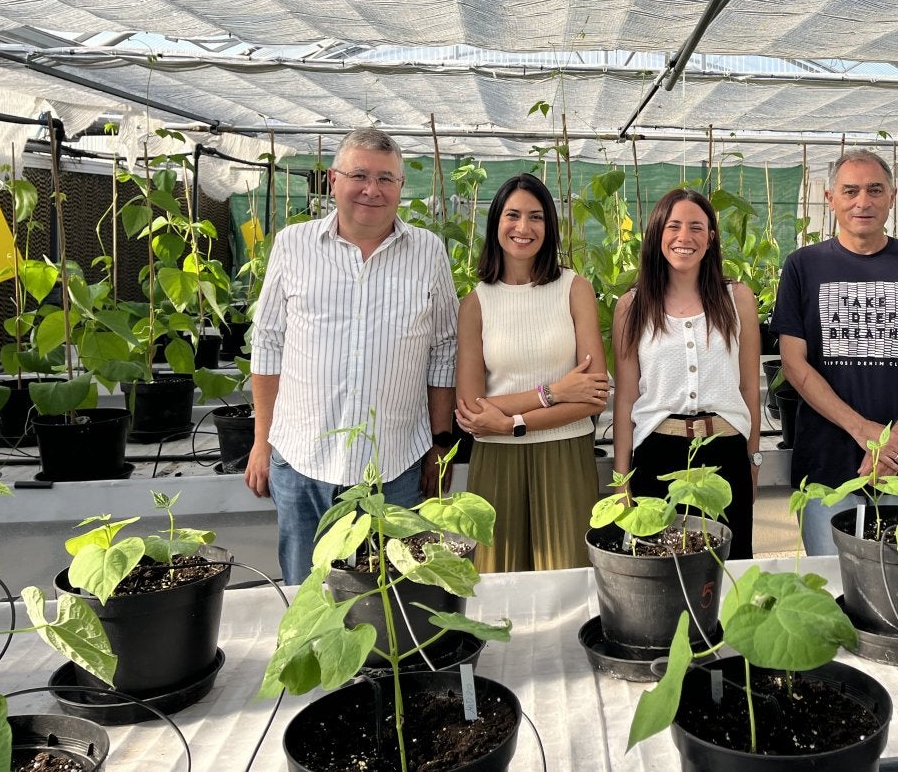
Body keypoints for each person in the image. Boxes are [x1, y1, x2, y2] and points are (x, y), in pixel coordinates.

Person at [246, 128, 459, 584]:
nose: (372, 189)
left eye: (386, 179)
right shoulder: (293, 245)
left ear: (402, 188)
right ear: (332, 179)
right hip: (302, 460)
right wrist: (261, 441)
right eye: (359, 174)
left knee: (389, 599)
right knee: (307, 594)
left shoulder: (429, 252)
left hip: (396, 464)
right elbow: (268, 344)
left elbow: (444, 349)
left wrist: (440, 448)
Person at [772, 149, 898, 555]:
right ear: (829, 197)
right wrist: (863, 430)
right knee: (833, 584)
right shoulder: (803, 265)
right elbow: (793, 363)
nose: (862, 202)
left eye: (875, 190)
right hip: (825, 467)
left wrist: (895, 441)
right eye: (850, 191)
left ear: (892, 195)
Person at [453, 173, 608, 572]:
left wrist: (511, 422)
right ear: (496, 223)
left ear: (549, 226)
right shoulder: (476, 303)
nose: (523, 228)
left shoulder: (574, 289)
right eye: (513, 215)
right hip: (495, 460)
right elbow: (471, 410)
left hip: (566, 453)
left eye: (536, 217)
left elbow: (592, 396)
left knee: (568, 578)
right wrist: (553, 392)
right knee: (495, 577)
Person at [612, 188, 763, 560]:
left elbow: (748, 387)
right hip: (657, 454)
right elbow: (627, 398)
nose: (685, 237)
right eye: (673, 226)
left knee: (728, 567)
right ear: (657, 234)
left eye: (697, 227)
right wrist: (621, 481)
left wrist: (753, 459)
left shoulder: (737, 299)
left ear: (710, 238)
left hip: (724, 451)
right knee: (660, 571)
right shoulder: (632, 306)